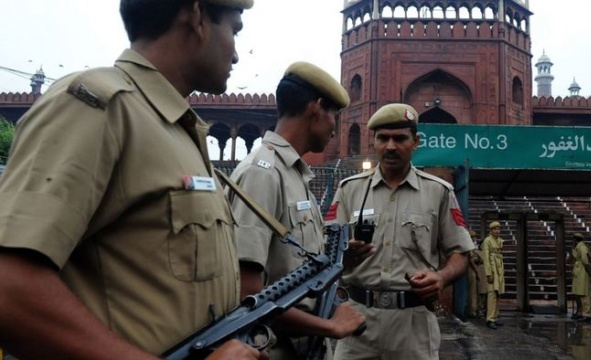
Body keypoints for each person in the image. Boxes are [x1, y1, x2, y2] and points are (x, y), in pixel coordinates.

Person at [0, 1, 265, 359]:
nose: (236, 54)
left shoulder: (178, 133)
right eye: (234, 30)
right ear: (198, 16)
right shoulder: (99, 106)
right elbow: (9, 288)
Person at [227, 61, 367, 359]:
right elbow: (247, 297)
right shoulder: (263, 174)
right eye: (334, 117)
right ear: (316, 108)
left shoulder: (293, 174)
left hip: (305, 347)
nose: (334, 129)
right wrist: (329, 326)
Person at [325, 103, 474, 360]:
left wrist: (441, 278)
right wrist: (344, 256)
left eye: (400, 138)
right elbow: (325, 250)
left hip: (413, 325)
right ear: (373, 142)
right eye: (383, 138)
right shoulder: (350, 190)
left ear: (415, 142)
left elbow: (460, 252)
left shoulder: (438, 192)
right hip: (357, 321)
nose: (391, 146)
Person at [482, 221, 505, 330]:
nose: (497, 231)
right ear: (491, 230)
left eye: (498, 229)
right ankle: (490, 319)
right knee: (491, 294)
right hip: (492, 268)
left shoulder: (498, 241)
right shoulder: (487, 241)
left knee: (497, 294)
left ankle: (495, 317)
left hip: (499, 268)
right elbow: (485, 258)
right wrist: (488, 273)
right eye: (495, 229)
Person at [571, 232, 591, 322]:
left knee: (584, 293)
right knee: (578, 293)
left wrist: (588, 268)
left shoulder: (582, 247)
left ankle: (586, 314)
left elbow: (584, 260)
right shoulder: (578, 246)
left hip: (582, 270)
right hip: (578, 270)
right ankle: (580, 312)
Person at [467, 230, 486, 318]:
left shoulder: (473, 246)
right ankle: (473, 311)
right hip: (472, 270)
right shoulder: (469, 246)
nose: (475, 238)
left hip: (475, 269)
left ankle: (476, 309)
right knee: (473, 291)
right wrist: (477, 272)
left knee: (477, 291)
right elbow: (471, 260)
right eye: (473, 237)